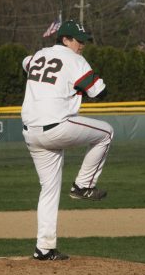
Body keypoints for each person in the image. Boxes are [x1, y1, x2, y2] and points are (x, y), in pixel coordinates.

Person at [21, 19, 114, 261]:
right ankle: (83, 185)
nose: (82, 44)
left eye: (84, 40)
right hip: (56, 126)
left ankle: (44, 248)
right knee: (106, 133)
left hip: (31, 133)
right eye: (77, 40)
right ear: (64, 39)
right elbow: (100, 92)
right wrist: (78, 87)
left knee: (49, 190)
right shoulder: (74, 59)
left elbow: (25, 62)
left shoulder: (38, 55)